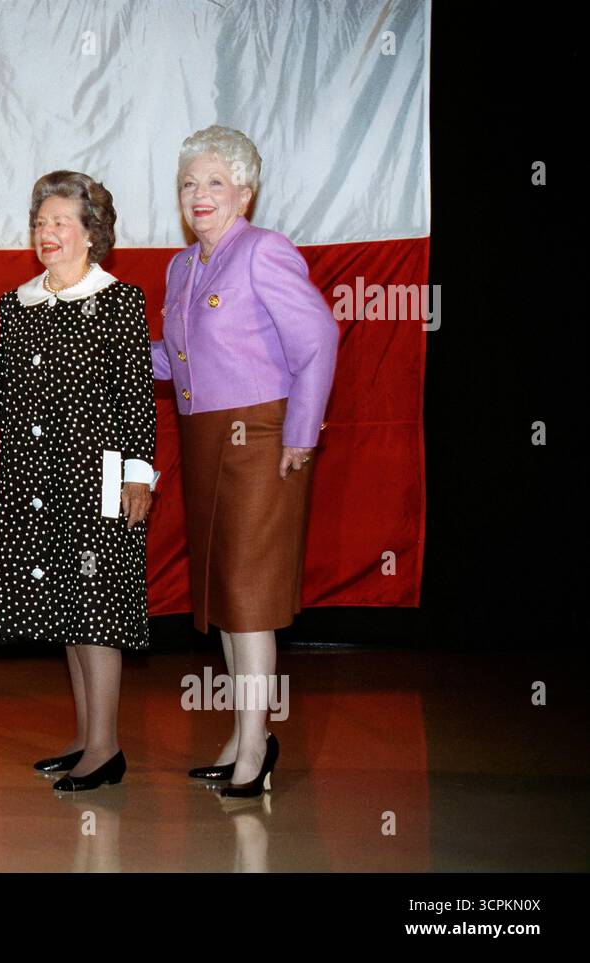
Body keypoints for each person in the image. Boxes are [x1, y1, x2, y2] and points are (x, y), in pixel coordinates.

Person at [151, 125, 338, 798]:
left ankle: (257, 745)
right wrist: (112, 355)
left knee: (252, 600)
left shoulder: (264, 252)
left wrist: (301, 432)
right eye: (187, 183)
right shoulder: (182, 267)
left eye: (214, 182)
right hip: (204, 441)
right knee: (227, 599)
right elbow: (175, 358)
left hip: (261, 441)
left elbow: (318, 336)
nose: (198, 195)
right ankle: (239, 732)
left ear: (246, 192)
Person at [0, 170, 157, 792]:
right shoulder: (18, 301)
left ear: (90, 234)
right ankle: (86, 735)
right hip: (35, 476)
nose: (46, 233)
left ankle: (106, 748)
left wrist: (139, 476)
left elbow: (136, 397)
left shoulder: (118, 301)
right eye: (39, 222)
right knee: (66, 608)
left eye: (60, 222)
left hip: (99, 477)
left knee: (97, 608)